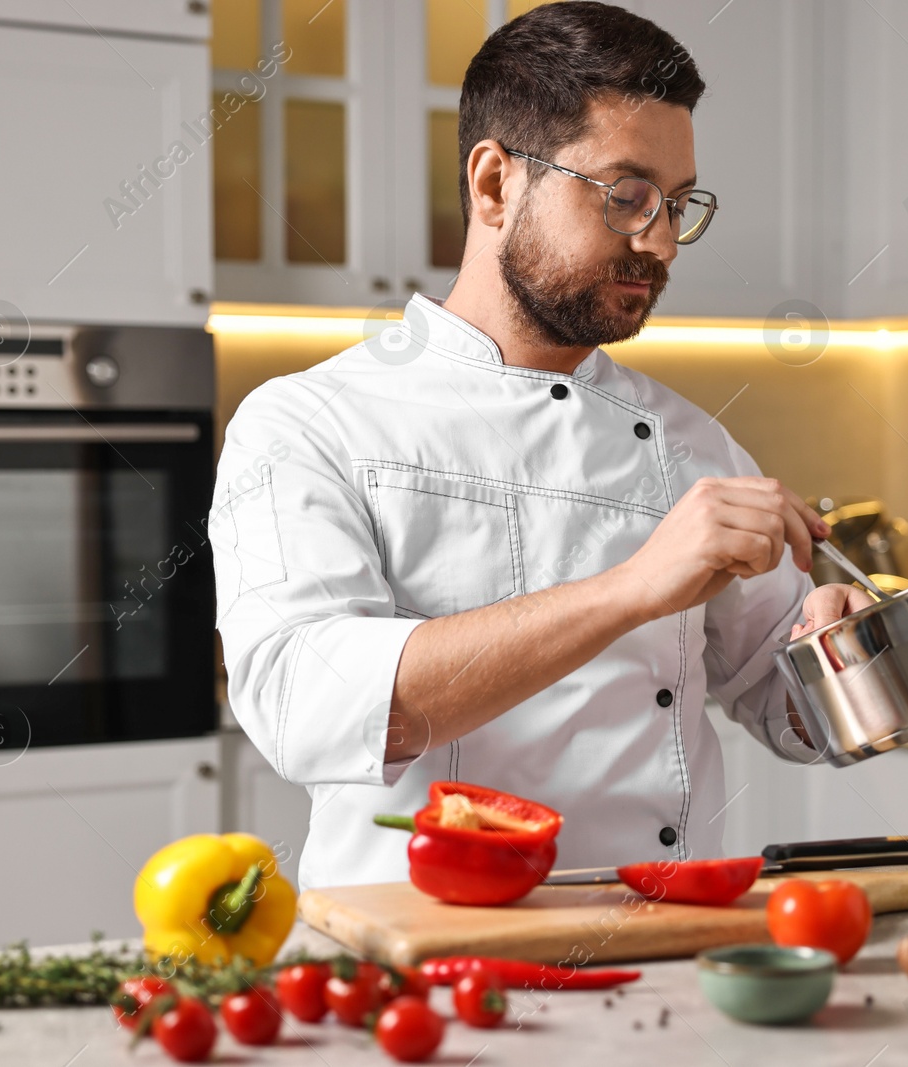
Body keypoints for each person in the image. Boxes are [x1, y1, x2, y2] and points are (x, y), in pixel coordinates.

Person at [212, 1, 869, 889]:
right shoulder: (308, 421)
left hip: (663, 953)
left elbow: (788, 707)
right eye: (626, 196)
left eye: (678, 204)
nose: (661, 241)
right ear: (494, 184)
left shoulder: (692, 443)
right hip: (423, 968)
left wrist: (843, 656)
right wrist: (634, 588)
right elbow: (309, 708)